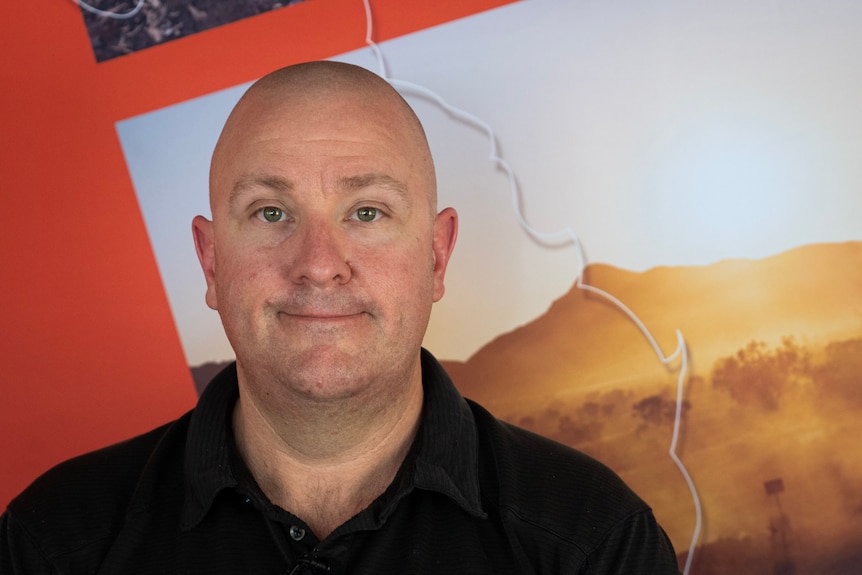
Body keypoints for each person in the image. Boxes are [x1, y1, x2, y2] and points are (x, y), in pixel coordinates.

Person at [1, 61, 681, 574]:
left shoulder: (594, 542)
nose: (319, 264)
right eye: (271, 212)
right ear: (211, 263)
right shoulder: (53, 542)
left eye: (367, 212)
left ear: (437, 257)